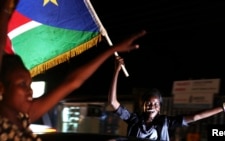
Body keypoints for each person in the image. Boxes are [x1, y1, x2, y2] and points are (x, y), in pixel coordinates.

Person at [0, 1, 147, 140]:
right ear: (2, 88)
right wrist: (5, 10)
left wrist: (112, 50)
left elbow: (73, 82)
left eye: (29, 84)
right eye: (22, 84)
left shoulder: (24, 117)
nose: (30, 91)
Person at [108, 56, 225, 141]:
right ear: (143, 105)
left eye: (155, 103)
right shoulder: (133, 120)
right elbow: (113, 102)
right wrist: (116, 71)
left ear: (159, 107)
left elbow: (196, 116)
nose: (151, 105)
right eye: (148, 103)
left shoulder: (166, 122)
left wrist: (223, 108)